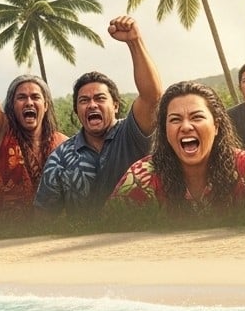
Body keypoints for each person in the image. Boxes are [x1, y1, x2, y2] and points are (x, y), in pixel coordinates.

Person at [35, 15, 163, 214]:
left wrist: (134, 41)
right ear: (77, 111)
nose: (92, 105)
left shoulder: (131, 132)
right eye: (84, 101)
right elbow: (43, 217)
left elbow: (152, 97)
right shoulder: (60, 158)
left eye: (100, 98)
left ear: (115, 105)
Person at [109, 82, 245, 212]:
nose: (186, 127)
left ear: (216, 126)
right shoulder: (142, 176)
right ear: (164, 130)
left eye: (196, 117)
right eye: (175, 120)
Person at [0, 28, 67, 213]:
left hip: (52, 231)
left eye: (35, 97)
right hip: (1, 233)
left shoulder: (63, 144)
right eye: (21, 97)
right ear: (12, 105)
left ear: (46, 105)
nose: (29, 102)